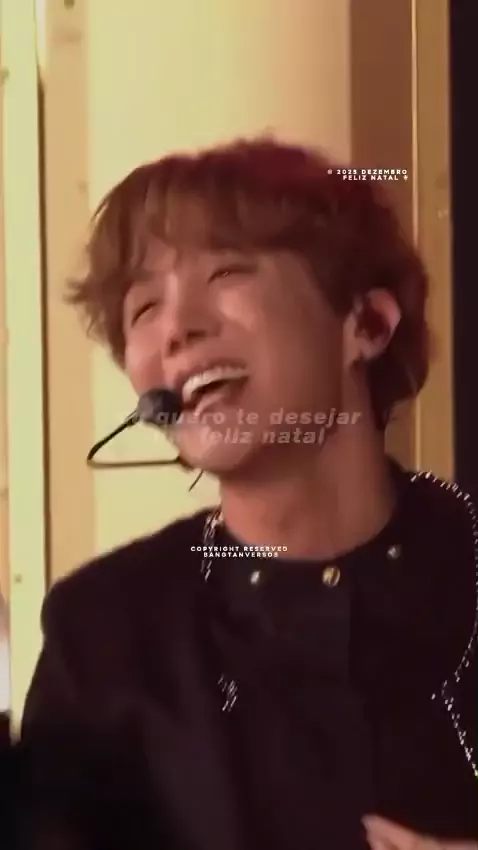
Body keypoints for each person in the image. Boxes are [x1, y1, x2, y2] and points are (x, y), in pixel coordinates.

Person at [20, 138, 477, 850]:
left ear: (367, 325)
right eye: (143, 309)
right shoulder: (101, 637)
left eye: (227, 271)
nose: (178, 330)